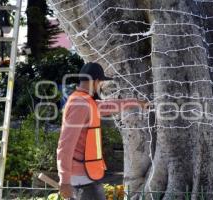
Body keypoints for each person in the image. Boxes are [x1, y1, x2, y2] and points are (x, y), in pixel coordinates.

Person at [57, 62, 147, 199]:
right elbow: (65, 145)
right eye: (101, 82)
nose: (101, 86)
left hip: (86, 175)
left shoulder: (85, 101)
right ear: (95, 81)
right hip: (81, 178)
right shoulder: (80, 104)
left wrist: (136, 102)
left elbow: (107, 106)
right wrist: (64, 180)